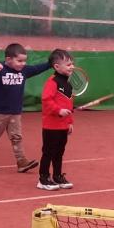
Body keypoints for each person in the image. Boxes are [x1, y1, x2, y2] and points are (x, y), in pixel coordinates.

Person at [0, 43, 51, 172]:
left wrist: (50, 63)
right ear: (8, 59)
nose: (23, 64)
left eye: (24, 61)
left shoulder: (24, 71)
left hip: (15, 112)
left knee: (16, 137)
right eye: (19, 61)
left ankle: (21, 162)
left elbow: (37, 68)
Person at [37, 49, 77, 191]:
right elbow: (46, 100)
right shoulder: (52, 82)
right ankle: (43, 179)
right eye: (68, 64)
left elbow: (69, 105)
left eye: (72, 64)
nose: (72, 67)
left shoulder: (68, 85)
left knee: (59, 152)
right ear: (57, 67)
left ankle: (58, 176)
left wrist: (70, 122)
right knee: (48, 152)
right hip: (51, 126)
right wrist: (58, 110)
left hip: (63, 126)